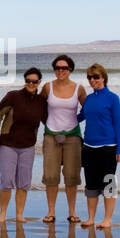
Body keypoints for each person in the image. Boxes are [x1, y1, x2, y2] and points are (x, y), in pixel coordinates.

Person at [0, 67, 47, 223]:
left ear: (39, 82)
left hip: (28, 146)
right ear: (25, 81)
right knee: (6, 181)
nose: (31, 83)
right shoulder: (13, 96)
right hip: (8, 144)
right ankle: (3, 214)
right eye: (28, 81)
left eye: (34, 81)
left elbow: (49, 121)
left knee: (24, 182)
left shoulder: (41, 102)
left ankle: (20, 214)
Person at [39, 54, 87, 224]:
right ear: (54, 70)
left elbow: (88, 110)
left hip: (73, 136)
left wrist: (76, 121)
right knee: (51, 176)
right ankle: (51, 212)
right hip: (51, 136)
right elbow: (39, 108)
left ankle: (72, 212)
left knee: (71, 175)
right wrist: (47, 123)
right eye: (58, 68)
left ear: (70, 70)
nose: (61, 71)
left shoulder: (79, 89)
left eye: (64, 68)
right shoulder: (47, 87)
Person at [78, 63, 120, 229]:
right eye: (89, 77)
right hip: (89, 147)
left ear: (103, 78)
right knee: (91, 184)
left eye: (95, 77)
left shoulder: (113, 98)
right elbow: (80, 117)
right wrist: (59, 119)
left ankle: (107, 219)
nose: (92, 80)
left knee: (109, 183)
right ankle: (90, 218)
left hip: (108, 147)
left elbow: (118, 125)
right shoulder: (89, 99)